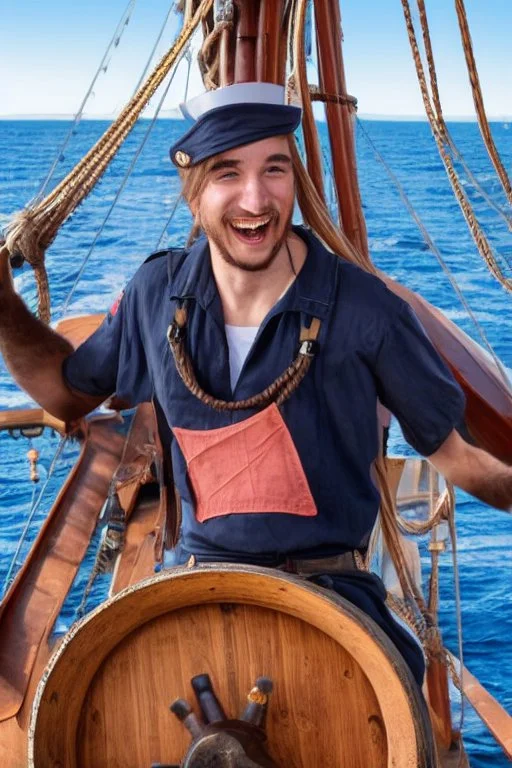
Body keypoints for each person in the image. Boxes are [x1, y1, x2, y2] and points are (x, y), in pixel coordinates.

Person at [0, 83, 510, 688]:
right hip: (195, 580)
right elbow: (65, 392)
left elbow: (459, 457)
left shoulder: (369, 311)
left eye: (275, 168)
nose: (255, 197)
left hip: (333, 596)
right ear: (195, 195)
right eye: (227, 172)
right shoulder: (155, 295)